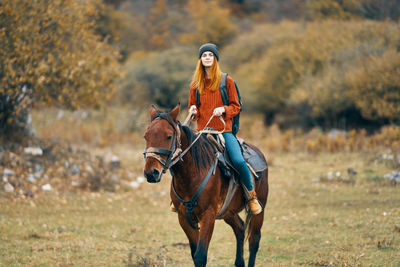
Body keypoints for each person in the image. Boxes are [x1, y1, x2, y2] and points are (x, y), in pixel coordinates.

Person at [184, 43, 262, 215]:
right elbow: (193, 108)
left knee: (239, 160)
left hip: (223, 131)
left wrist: (224, 110)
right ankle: (178, 199)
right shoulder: (195, 84)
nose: (207, 58)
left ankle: (251, 196)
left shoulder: (227, 81)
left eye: (211, 55)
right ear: (200, 60)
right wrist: (193, 111)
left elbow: (236, 106)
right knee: (181, 158)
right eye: (204, 55)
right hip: (202, 133)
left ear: (216, 59)